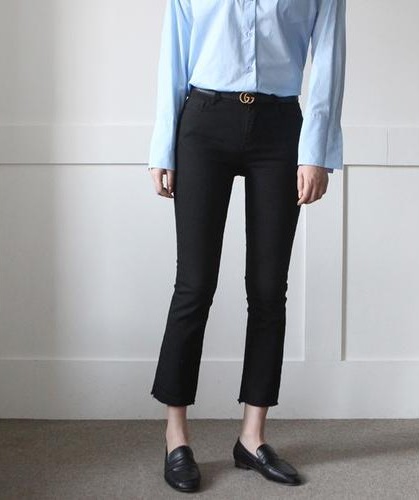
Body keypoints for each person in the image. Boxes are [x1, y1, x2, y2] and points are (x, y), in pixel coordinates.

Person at [145, 0, 347, 493]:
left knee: (268, 286)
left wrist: (316, 151)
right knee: (194, 284)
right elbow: (174, 52)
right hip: (203, 122)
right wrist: (162, 146)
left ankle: (252, 437)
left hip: (280, 128)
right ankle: (176, 436)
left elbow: (329, 59)